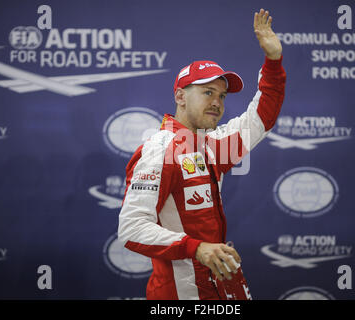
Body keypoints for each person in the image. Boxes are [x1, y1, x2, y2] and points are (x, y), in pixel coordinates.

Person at [118, 8, 286, 300]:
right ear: (180, 96)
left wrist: (273, 62)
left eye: (221, 96)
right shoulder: (160, 149)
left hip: (223, 287)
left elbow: (261, 118)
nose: (217, 103)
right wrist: (196, 247)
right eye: (207, 92)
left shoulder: (212, 144)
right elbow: (132, 228)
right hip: (181, 296)